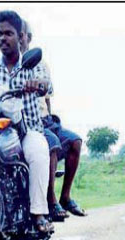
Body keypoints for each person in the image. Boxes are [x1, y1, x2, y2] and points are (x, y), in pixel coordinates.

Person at [0, 10, 53, 233]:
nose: (3, 38)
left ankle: (39, 213)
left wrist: (38, 84)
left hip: (26, 129)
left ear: (20, 36)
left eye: (8, 33)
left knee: (39, 153)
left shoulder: (32, 64)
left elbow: (47, 84)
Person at [19, 19, 86, 220]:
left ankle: (65, 196)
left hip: (46, 120)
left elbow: (46, 95)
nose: (17, 40)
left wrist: (50, 117)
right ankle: (51, 200)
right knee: (51, 145)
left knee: (75, 141)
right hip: (28, 123)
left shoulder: (38, 64)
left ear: (28, 38)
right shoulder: (6, 66)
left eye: (20, 35)